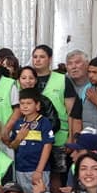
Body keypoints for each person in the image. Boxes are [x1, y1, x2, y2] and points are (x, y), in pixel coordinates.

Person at [30, 45, 75, 185]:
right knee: (34, 175)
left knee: (57, 178)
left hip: (59, 137)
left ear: (50, 59)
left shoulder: (62, 80)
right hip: (32, 136)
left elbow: (72, 112)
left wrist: (71, 137)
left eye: (42, 57)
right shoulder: (26, 79)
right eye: (35, 57)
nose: (38, 60)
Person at [6, 88, 53, 193]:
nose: (25, 106)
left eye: (28, 103)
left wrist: (39, 171)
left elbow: (47, 146)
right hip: (20, 170)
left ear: (37, 105)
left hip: (38, 170)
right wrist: (19, 138)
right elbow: (12, 146)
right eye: (22, 103)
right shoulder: (18, 123)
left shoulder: (44, 122)